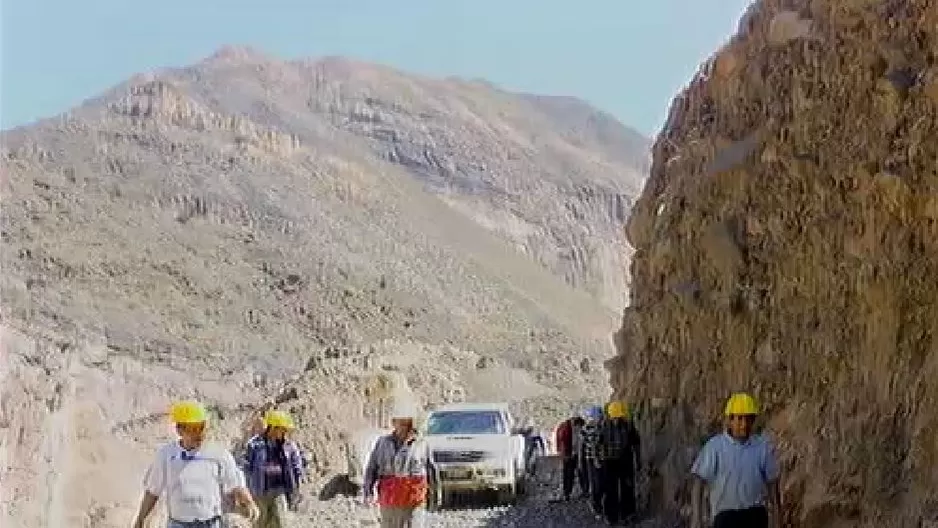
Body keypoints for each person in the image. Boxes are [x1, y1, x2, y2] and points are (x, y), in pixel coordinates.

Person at [132, 400, 260, 528]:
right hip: (178, 524)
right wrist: (141, 519)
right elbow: (153, 490)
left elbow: (235, 483)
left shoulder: (219, 454)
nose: (198, 434)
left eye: (201, 427)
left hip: (210, 523)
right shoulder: (166, 455)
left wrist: (249, 502)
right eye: (192, 429)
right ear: (179, 430)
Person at [690, 393, 782, 528]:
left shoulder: (762, 447)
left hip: (755, 516)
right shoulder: (715, 447)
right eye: (739, 419)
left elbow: (772, 485)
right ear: (730, 420)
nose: (744, 424)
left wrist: (777, 518)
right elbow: (699, 481)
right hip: (726, 517)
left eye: (748, 419)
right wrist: (696, 518)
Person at [362, 404, 429, 528]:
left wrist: (435, 497)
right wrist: (368, 492)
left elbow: (431, 472)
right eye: (402, 423)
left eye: (408, 423)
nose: (405, 427)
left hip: (413, 502)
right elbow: (371, 469)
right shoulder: (382, 443)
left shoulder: (422, 444)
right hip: (389, 500)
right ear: (394, 423)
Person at [243, 409, 305, 528]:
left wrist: (297, 485)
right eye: (282, 429)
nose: (285, 432)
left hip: (280, 491)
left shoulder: (289, 446)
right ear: (273, 428)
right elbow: (245, 466)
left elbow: (297, 465)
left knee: (282, 523)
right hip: (260, 492)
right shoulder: (255, 445)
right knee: (260, 523)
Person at [597, 400, 641, 526]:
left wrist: (638, 461)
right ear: (610, 416)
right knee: (610, 490)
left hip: (625, 460)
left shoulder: (628, 426)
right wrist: (598, 459)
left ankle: (628, 514)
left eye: (618, 417)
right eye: (614, 418)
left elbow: (636, 444)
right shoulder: (603, 426)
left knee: (627, 487)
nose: (616, 420)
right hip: (609, 462)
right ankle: (611, 516)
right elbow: (597, 444)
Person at [579, 405, 605, 516]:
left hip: (601, 459)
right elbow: (591, 445)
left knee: (601, 483)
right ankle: (596, 506)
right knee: (596, 484)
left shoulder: (601, 427)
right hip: (593, 460)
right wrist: (596, 460)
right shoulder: (588, 429)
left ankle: (599, 505)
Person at [555, 413, 586, 501]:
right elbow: (561, 441)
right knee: (568, 474)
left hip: (577, 453)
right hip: (568, 454)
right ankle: (567, 493)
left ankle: (583, 491)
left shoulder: (579, 425)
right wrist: (564, 453)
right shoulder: (565, 427)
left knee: (580, 473)